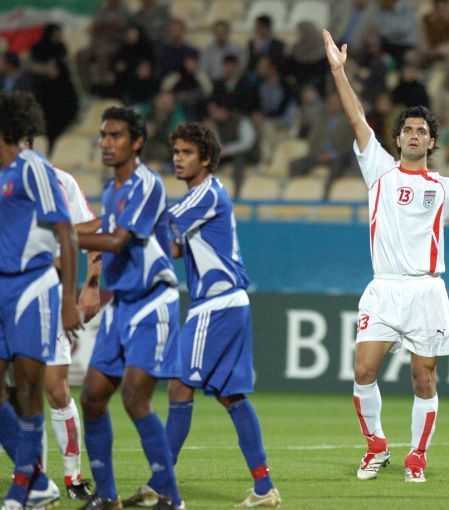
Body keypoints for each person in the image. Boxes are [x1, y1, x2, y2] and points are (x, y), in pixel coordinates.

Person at [323, 29, 449, 483]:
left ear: (431, 143)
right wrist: (338, 72)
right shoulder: (379, 171)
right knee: (363, 369)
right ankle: (376, 446)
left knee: (423, 378)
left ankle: (417, 455)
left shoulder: (442, 187)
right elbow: (356, 118)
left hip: (426, 291)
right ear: (397, 139)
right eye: (407, 129)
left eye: (421, 131)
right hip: (384, 287)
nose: (413, 135)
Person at [122, 122, 281, 508]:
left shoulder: (205, 194)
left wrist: (115, 233)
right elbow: (174, 248)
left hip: (216, 305)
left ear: (206, 159)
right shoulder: (203, 197)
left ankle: (161, 484)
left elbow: (159, 227)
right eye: (176, 152)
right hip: (226, 304)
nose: (178, 159)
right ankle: (264, 487)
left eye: (187, 152)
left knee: (180, 387)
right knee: (230, 395)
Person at [74, 107, 183, 510]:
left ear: (136, 142)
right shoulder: (112, 189)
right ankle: (107, 495)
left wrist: (64, 238)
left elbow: (118, 240)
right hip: (121, 304)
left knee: (135, 399)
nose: (106, 142)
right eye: (103, 135)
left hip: (152, 303)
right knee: (92, 397)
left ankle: (170, 496)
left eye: (116, 135)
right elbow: (103, 230)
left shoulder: (146, 184)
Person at [0, 90, 81, 509]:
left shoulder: (33, 168)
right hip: (1, 287)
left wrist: (69, 300)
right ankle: (39, 480)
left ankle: (24, 486)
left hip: (33, 286)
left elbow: (67, 233)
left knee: (31, 388)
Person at [20, 135, 103, 502]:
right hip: (8, 295)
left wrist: (92, 284)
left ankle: (73, 477)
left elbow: (90, 230)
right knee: (16, 394)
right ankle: (31, 478)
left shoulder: (59, 181)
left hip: (48, 294)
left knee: (55, 387)